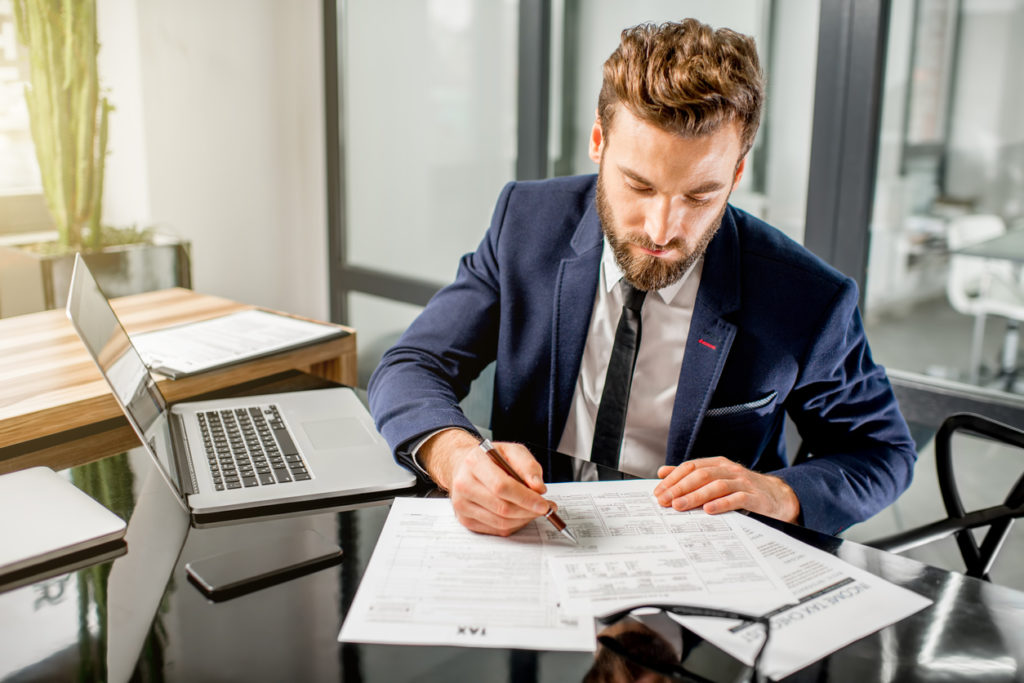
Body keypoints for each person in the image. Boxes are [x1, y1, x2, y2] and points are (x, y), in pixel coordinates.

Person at [368, 18, 916, 538]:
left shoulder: (807, 296)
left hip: (703, 569)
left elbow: (883, 453)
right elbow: (414, 363)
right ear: (599, 144)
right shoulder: (526, 223)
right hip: (531, 539)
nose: (662, 229)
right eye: (639, 186)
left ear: (737, 173)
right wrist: (457, 456)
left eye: (700, 196)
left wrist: (777, 493)